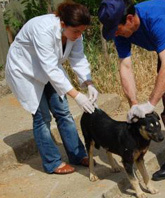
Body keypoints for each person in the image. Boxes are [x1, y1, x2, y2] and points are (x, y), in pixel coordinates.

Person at [98, 0, 165, 184]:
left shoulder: (156, 18)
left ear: (130, 19)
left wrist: (149, 104)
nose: (115, 34)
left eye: (116, 30)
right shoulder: (121, 32)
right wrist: (133, 103)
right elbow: (125, 66)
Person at [5, 2, 98, 174]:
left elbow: (77, 58)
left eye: (81, 32)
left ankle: (77, 154)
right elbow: (50, 68)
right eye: (76, 31)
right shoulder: (43, 29)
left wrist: (88, 83)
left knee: (63, 112)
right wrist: (77, 95)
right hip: (26, 70)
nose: (79, 36)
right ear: (63, 24)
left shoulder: (76, 34)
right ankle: (52, 162)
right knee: (42, 117)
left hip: (49, 68)